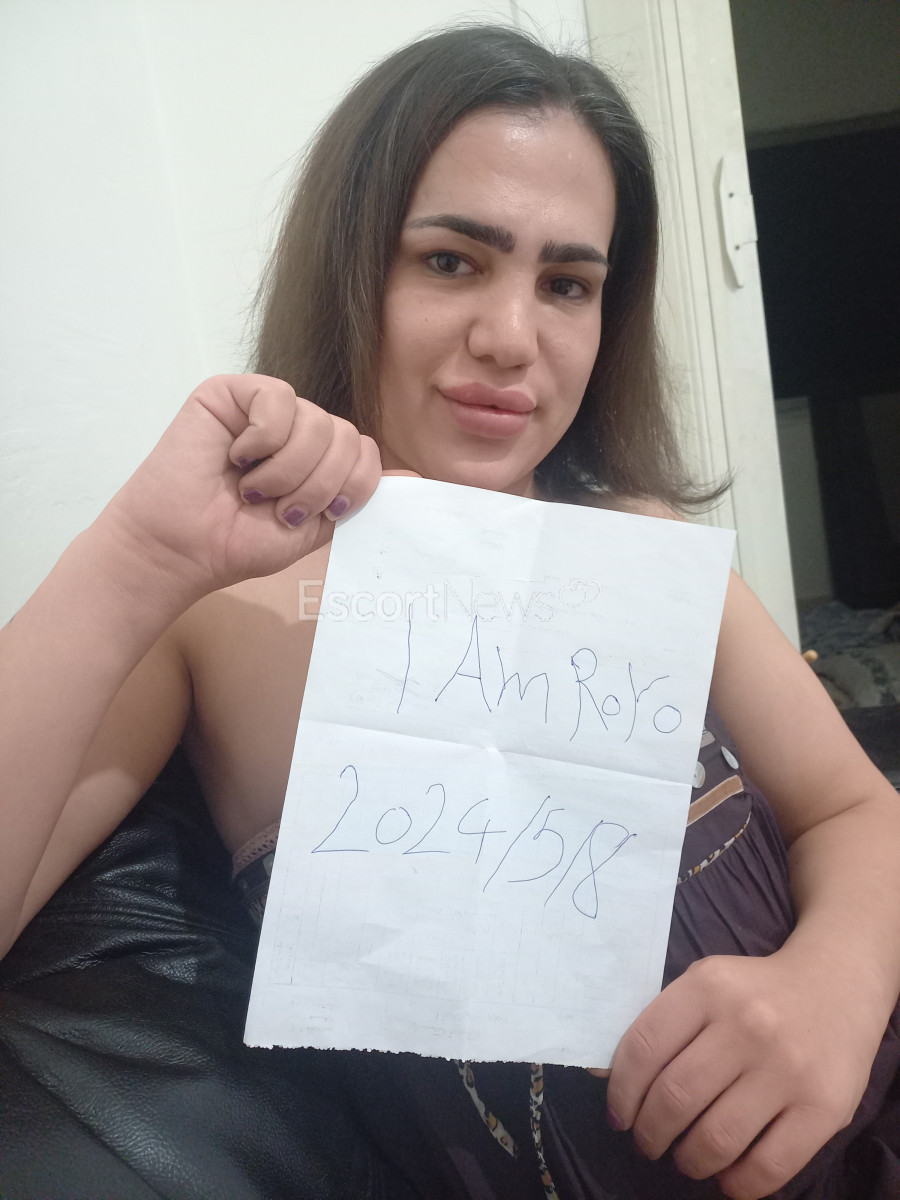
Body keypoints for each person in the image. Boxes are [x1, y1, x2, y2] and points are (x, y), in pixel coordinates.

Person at [2, 24, 899, 1200]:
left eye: (567, 284)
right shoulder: (219, 610)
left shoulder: (645, 543)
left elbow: (856, 809)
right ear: (352, 267)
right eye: (451, 261)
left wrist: (834, 986)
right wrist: (133, 559)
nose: (511, 339)